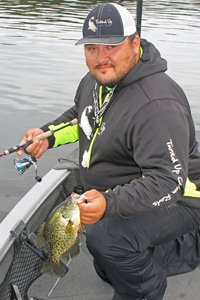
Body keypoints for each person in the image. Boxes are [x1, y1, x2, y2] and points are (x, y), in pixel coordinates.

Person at [18, 2, 200, 299]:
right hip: (123, 188)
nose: (100, 58)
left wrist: (109, 205)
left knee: (108, 237)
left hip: (184, 198)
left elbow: (168, 182)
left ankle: (146, 289)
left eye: (111, 46)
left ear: (135, 43)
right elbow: (81, 116)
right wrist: (47, 136)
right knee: (108, 250)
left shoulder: (157, 105)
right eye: (91, 48)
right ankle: (134, 256)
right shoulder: (96, 79)